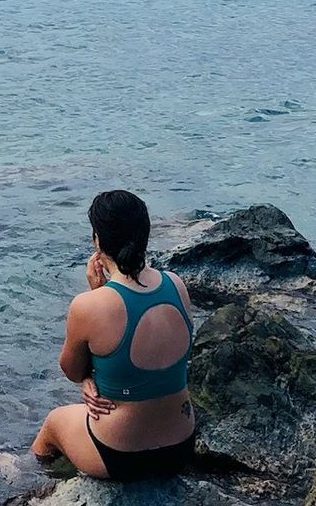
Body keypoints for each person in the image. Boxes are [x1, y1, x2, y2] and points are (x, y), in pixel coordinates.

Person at [31, 190, 196, 481]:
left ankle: (34, 483)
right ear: (145, 235)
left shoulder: (88, 306)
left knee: (52, 424)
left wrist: (96, 294)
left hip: (120, 457)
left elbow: (71, 370)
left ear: (97, 240)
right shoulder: (176, 284)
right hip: (181, 447)